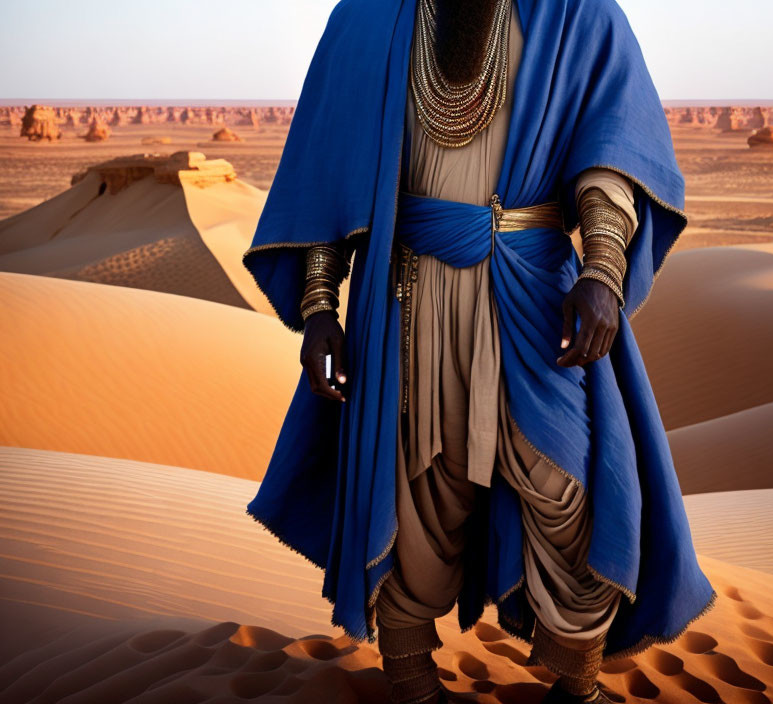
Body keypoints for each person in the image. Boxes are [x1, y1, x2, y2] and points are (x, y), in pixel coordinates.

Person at [242, 0, 717, 702]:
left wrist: (602, 269)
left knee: (570, 489)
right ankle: (408, 678)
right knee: (410, 495)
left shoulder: (579, 15)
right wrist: (319, 307)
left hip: (536, 290)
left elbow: (610, 148)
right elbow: (326, 175)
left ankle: (577, 683)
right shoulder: (365, 18)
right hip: (407, 294)